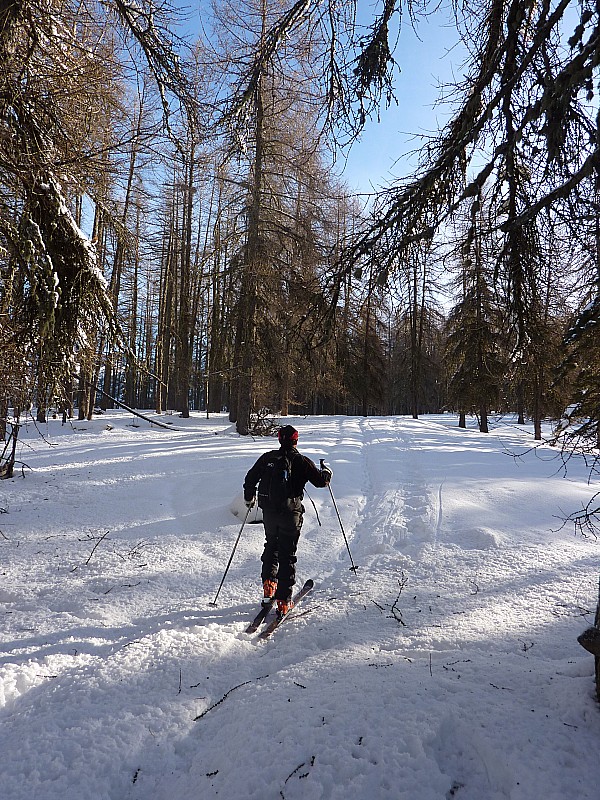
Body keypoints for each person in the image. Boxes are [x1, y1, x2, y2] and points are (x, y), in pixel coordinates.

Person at [243, 424, 332, 616]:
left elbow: (250, 478)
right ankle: (284, 601)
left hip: (269, 513)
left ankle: (269, 587)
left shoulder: (268, 458)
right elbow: (320, 482)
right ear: (296, 440)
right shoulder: (301, 461)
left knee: (271, 547)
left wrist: (249, 498)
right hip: (291, 514)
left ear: (279, 439)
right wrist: (327, 474)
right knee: (287, 554)